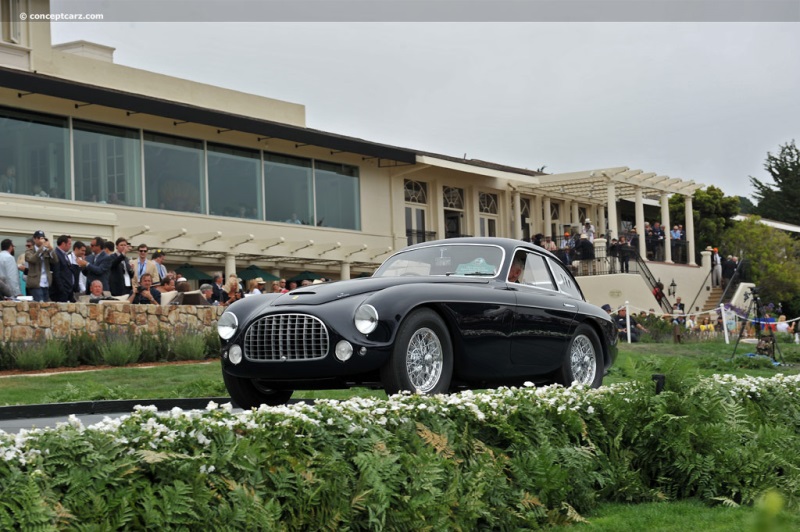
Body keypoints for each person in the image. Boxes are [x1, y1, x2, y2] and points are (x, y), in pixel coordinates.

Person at [25, 230, 56, 302]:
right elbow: (33, 260)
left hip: (46, 282)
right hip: (36, 283)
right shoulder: (29, 251)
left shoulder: (46, 250)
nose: (40, 240)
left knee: (46, 306)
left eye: (42, 238)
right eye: (38, 238)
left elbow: (55, 261)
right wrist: (41, 248)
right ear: (34, 239)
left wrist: (51, 249)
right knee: (39, 304)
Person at [51, 234, 76, 303]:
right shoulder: (56, 254)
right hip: (61, 291)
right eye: (69, 244)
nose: (70, 246)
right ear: (63, 244)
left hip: (68, 289)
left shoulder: (65, 255)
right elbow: (57, 273)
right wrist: (62, 289)